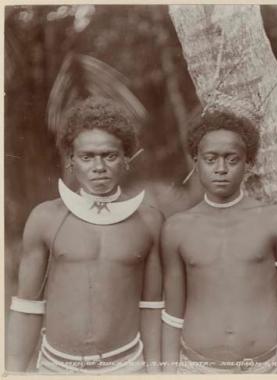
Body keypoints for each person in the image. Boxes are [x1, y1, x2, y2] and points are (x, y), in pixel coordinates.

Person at [6, 96, 163, 374]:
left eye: (109, 156)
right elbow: (26, 306)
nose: (98, 167)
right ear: (71, 160)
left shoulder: (149, 221)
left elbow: (152, 307)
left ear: (126, 159)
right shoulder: (45, 218)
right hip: (56, 367)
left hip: (127, 366)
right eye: (87, 157)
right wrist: (14, 372)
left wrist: (155, 372)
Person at [161, 107, 277, 374]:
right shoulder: (177, 228)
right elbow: (172, 317)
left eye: (232, 159)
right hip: (196, 369)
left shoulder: (275, 221)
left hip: (262, 369)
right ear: (196, 162)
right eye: (210, 159)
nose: (221, 169)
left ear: (248, 164)